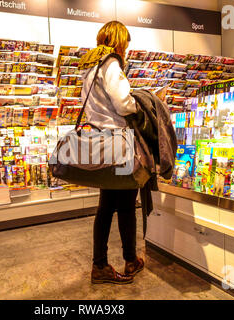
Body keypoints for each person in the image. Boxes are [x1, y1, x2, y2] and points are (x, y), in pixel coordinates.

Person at [78, 21, 144, 285]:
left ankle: (105, 264)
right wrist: (140, 105)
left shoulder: (90, 66)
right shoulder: (112, 63)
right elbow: (123, 103)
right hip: (118, 142)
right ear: (119, 41)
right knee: (126, 203)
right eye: (125, 42)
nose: (127, 47)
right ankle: (124, 261)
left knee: (107, 206)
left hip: (100, 142)